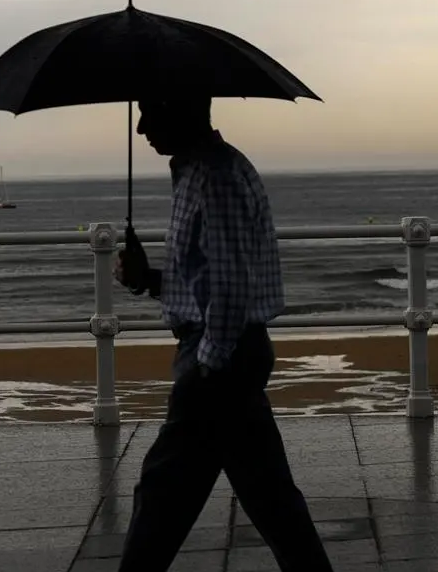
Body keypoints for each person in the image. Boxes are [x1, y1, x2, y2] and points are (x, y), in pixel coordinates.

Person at [113, 97, 333, 572]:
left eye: (151, 112)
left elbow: (232, 285)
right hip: (227, 351)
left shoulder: (217, 179)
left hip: (221, 355)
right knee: (270, 497)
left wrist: (209, 365)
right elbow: (207, 280)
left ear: (187, 108)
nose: (141, 128)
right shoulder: (202, 173)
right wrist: (147, 278)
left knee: (162, 492)